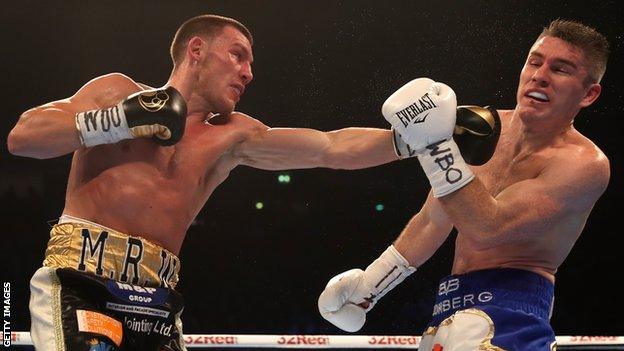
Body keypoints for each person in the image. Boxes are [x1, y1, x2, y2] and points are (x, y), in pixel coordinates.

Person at [6, 14, 414, 351]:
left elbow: (331, 147)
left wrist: (414, 139)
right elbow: (24, 137)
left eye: (250, 64)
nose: (248, 73)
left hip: (158, 303)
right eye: (238, 56)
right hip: (83, 281)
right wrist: (119, 121)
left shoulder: (232, 136)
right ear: (196, 51)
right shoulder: (118, 91)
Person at [318, 19, 610, 351]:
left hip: (513, 316)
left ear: (588, 94)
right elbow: (433, 219)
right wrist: (370, 287)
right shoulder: (483, 128)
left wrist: (434, 146)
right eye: (535, 60)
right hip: (447, 308)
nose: (539, 75)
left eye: (561, 69)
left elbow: (489, 228)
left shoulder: (584, 164)